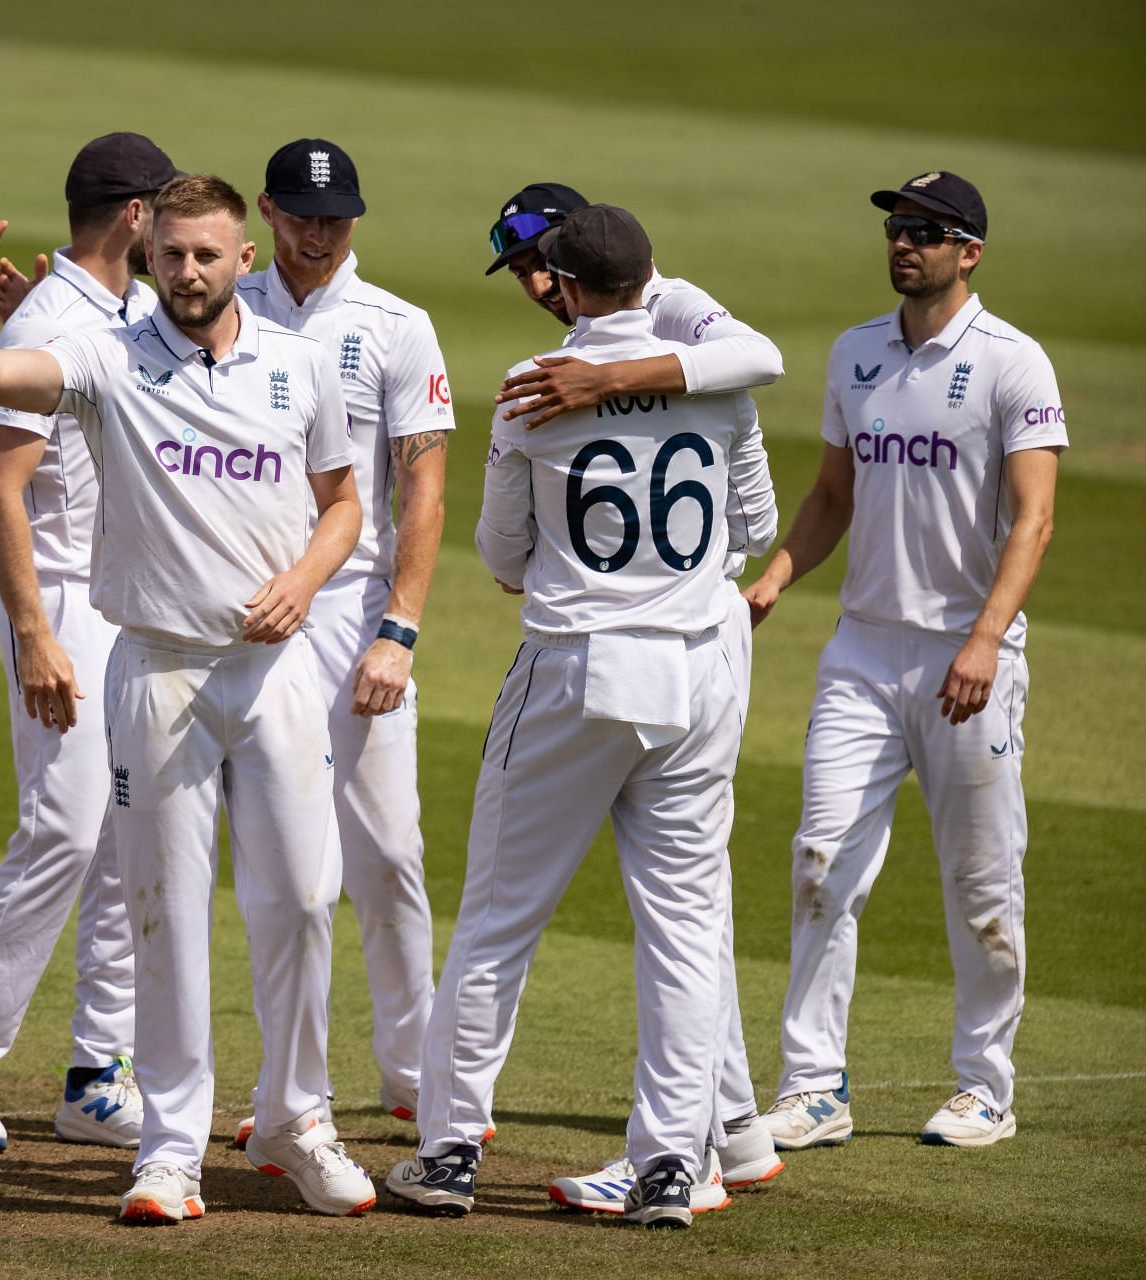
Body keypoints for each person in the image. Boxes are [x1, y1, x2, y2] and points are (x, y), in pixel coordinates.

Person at [0, 174, 379, 1223]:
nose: (188, 270)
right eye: (172, 253)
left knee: (304, 899)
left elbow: (345, 503)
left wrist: (305, 580)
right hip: (158, 669)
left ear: (244, 259)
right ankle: (172, 1145)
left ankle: (295, 1119)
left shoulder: (300, 364)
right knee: (166, 913)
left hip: (271, 671)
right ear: (150, 253)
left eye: (208, 255)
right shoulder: (110, 355)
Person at [385, 205, 777, 1229]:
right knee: (686, 929)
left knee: (500, 920)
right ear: (653, 279)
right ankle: (667, 1170)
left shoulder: (528, 394)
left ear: (560, 281)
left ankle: (449, 1151)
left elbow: (506, 559)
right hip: (697, 675)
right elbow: (760, 528)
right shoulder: (723, 386)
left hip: (572, 671)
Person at [745, 171, 1064, 1150]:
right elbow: (832, 494)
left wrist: (983, 636)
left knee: (980, 879)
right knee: (819, 859)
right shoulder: (856, 353)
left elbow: (1035, 517)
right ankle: (814, 1085)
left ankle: (985, 1086)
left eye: (925, 230)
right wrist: (774, 577)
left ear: (970, 250)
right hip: (862, 650)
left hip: (967, 657)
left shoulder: (1015, 361)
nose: (903, 242)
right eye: (895, 226)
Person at [0, 133, 179, 1154]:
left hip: (127, 602)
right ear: (133, 215)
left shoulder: (128, 313)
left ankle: (94, 1074)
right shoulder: (64, 317)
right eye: (168, 215)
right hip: (62, 601)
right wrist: (33, 631)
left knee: (127, 835)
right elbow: (0, 485)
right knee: (63, 830)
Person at [224, 138, 451, 1141]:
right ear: (269, 213)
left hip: (356, 615)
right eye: (303, 216)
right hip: (244, 623)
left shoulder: (396, 326)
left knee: (390, 848)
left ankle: (416, 1069)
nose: (320, 235)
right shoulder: (219, 307)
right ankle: (288, 1086)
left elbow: (424, 484)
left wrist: (399, 628)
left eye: (338, 218)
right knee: (286, 868)